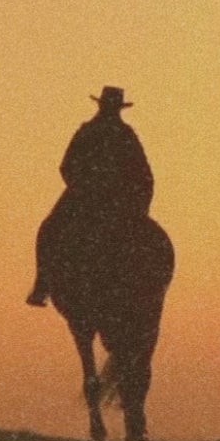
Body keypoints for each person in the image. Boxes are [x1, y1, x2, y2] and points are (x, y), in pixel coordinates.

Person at [27, 86, 155, 306]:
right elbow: (144, 175)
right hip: (110, 197)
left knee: (50, 229)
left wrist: (83, 187)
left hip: (89, 195)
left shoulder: (91, 132)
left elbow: (66, 166)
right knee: (49, 228)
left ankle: (42, 285)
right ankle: (43, 285)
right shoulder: (123, 134)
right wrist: (138, 205)